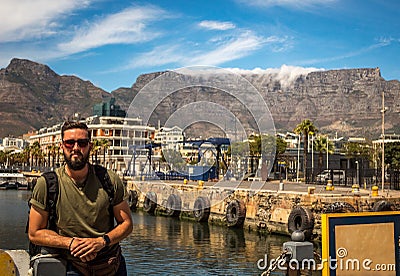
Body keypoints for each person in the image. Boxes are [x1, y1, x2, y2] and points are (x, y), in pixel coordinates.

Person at [28, 121, 133, 275]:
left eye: (82, 142)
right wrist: (71, 243)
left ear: (90, 146)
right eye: (70, 143)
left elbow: (127, 224)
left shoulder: (109, 180)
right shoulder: (47, 184)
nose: (76, 148)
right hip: (72, 267)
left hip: (111, 266)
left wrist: (101, 242)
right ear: (62, 146)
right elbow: (34, 233)